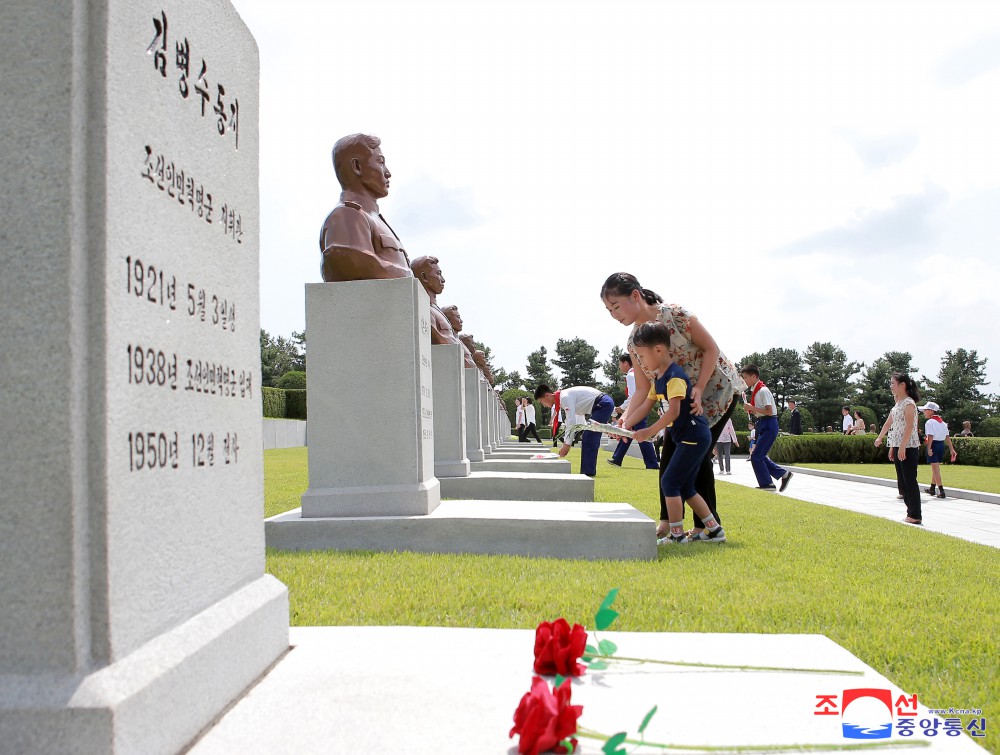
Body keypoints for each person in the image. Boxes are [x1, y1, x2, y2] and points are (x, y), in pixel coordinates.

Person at [600, 272, 745, 537]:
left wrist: (699, 387)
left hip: (716, 393)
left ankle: (703, 527)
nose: (614, 315)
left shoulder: (675, 314)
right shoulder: (634, 342)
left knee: (695, 459)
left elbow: (711, 348)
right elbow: (643, 389)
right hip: (682, 402)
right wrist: (624, 422)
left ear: (635, 295)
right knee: (671, 458)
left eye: (616, 306)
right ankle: (671, 523)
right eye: (609, 310)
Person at [629, 323, 727, 544]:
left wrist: (650, 431)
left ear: (659, 350)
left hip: (694, 437)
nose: (641, 362)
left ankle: (677, 535)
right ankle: (714, 529)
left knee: (670, 483)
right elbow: (646, 404)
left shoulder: (674, 377)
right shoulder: (659, 378)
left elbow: (673, 412)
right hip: (688, 438)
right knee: (684, 486)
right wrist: (626, 424)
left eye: (642, 356)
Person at [320, 134, 411, 282]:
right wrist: (407, 275)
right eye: (380, 162)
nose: (388, 173)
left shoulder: (373, 218)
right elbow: (350, 262)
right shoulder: (347, 216)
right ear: (357, 167)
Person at [535, 384, 615, 477]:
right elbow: (571, 420)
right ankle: (587, 471)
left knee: (589, 436)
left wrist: (567, 444)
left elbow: (571, 422)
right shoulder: (563, 398)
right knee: (588, 436)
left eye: (541, 402)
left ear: (547, 395)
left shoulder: (564, 398)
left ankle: (587, 472)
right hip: (601, 404)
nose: (544, 405)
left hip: (602, 404)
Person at [874, 373, 922, 525]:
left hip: (908, 447)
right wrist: (881, 438)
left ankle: (915, 514)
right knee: (903, 481)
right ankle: (910, 512)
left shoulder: (909, 403)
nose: (891, 386)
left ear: (903, 385)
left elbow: (909, 426)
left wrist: (902, 446)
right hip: (899, 446)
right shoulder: (897, 405)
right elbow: (888, 424)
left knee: (909, 481)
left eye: (893, 383)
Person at [741, 365, 792, 492]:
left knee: (757, 456)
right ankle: (782, 475)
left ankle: (768, 484)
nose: (744, 380)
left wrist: (752, 408)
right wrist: (753, 410)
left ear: (754, 376)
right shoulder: (757, 391)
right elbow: (764, 411)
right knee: (759, 455)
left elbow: (769, 412)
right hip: (763, 423)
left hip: (769, 423)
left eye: (745, 377)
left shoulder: (763, 390)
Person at [607, 353, 659, 469]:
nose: (619, 366)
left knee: (639, 434)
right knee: (628, 433)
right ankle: (617, 458)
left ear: (626, 363)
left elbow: (634, 395)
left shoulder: (631, 375)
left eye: (620, 363)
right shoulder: (637, 374)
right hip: (641, 407)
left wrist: (623, 408)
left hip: (637, 409)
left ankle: (652, 464)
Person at [919, 401, 957, 498]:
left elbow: (930, 436)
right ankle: (932, 488)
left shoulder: (929, 422)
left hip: (933, 445)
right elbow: (947, 437)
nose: (924, 412)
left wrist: (928, 448)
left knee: (935, 469)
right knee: (936, 468)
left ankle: (941, 490)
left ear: (931, 411)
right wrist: (952, 449)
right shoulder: (943, 423)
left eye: (925, 410)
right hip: (941, 445)